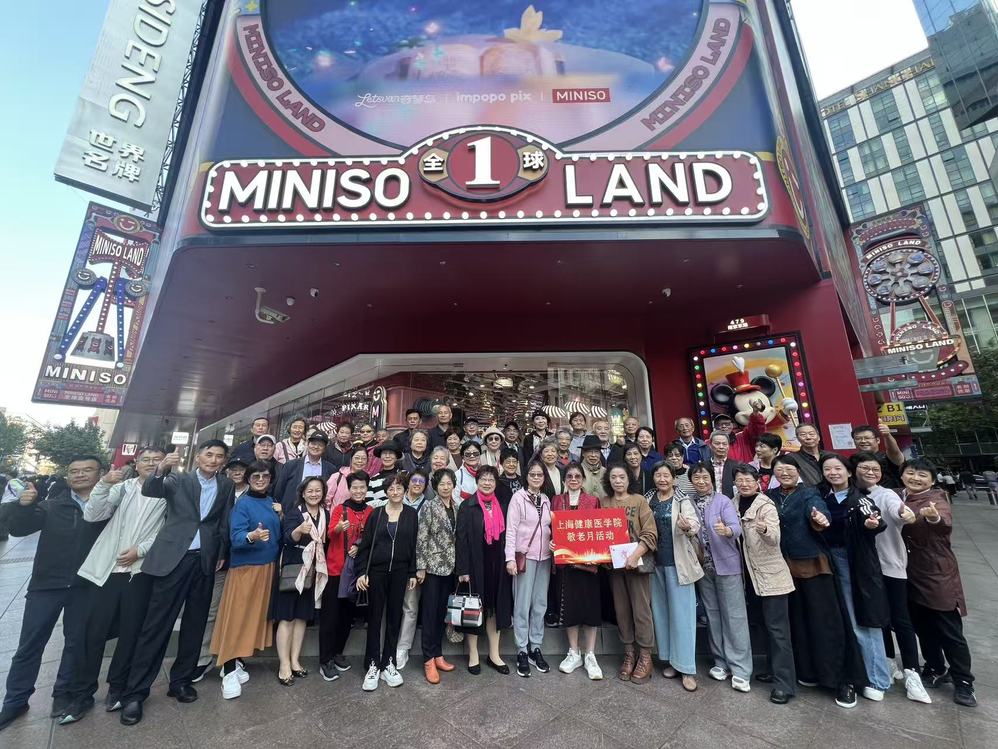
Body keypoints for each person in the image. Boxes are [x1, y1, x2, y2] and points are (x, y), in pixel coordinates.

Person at [117, 440, 235, 727]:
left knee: (195, 624)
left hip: (204, 560)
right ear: (198, 456)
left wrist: (221, 553)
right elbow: (151, 489)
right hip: (173, 559)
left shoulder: (226, 485)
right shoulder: (178, 479)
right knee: (157, 625)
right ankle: (135, 692)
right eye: (209, 454)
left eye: (219, 456)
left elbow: (223, 522)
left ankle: (180, 681)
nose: (213, 460)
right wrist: (161, 468)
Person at [60, 448, 167, 725]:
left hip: (139, 572)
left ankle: (118, 687)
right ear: (136, 464)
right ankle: (82, 694)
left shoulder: (169, 491)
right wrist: (103, 484)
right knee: (92, 633)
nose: (151, 464)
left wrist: (140, 550)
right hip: (107, 571)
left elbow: (168, 529)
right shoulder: (123, 487)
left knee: (131, 633)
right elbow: (94, 514)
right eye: (145, 460)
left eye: (157, 460)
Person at [0, 457, 107, 731]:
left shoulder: (107, 506)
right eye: (74, 471)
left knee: (75, 643)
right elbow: (19, 529)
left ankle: (63, 694)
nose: (80, 475)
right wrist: (24, 507)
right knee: (29, 645)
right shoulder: (52, 505)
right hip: (46, 585)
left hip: (85, 586)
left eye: (87, 470)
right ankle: (15, 700)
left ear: (100, 474)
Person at [767, 455, 864, 709]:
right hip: (784, 569)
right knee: (798, 622)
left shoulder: (809, 493)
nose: (784, 473)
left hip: (813, 566)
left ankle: (843, 680)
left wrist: (820, 518)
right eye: (779, 470)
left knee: (827, 623)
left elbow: (818, 511)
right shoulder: (771, 496)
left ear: (798, 471)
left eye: (789, 469)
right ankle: (808, 671)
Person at [850, 453, 929, 704]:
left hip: (890, 566)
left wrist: (906, 514)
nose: (871, 472)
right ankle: (888, 660)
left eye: (875, 469)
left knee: (900, 619)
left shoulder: (887, 495)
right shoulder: (852, 495)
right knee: (877, 617)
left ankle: (912, 672)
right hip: (864, 567)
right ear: (854, 470)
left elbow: (898, 512)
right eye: (865, 468)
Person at [900, 458, 977, 707]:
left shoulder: (936, 499)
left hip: (936, 573)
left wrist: (933, 518)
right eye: (911, 473)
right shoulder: (899, 496)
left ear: (932, 480)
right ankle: (934, 666)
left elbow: (944, 524)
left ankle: (963, 681)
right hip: (909, 572)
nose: (915, 478)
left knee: (949, 629)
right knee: (922, 626)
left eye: (922, 475)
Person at [818, 453, 892, 701]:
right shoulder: (823, 497)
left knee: (861, 620)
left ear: (849, 472)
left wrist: (872, 525)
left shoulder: (859, 499)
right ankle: (854, 673)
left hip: (853, 562)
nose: (833, 473)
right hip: (828, 560)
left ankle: (877, 679)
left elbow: (875, 519)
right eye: (828, 469)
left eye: (838, 468)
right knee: (842, 620)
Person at [209, 461, 281, 699]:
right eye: (256, 476)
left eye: (265, 476)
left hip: (267, 567)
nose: (261, 480)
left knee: (252, 617)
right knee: (236, 618)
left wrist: (281, 516)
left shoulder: (271, 502)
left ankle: (237, 660)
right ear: (248, 479)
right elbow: (236, 536)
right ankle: (228, 669)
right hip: (246, 569)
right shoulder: (242, 504)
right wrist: (251, 536)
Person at [686, 463, 753, 693]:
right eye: (696, 478)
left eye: (705, 477)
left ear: (712, 479)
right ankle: (721, 661)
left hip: (727, 565)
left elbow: (736, 527)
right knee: (712, 615)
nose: (701, 481)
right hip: (703, 568)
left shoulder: (723, 501)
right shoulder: (689, 502)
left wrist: (728, 531)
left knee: (734, 616)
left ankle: (741, 669)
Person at [734, 463, 797, 704]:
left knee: (778, 630)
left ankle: (784, 684)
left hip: (771, 577)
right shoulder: (732, 503)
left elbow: (774, 538)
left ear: (757, 482)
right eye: (740, 480)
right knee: (763, 625)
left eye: (748, 480)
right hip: (749, 577)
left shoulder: (766, 505)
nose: (744, 484)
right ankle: (772, 670)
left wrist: (765, 530)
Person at [355, 474, 419, 691]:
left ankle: (388, 662)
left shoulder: (411, 514)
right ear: (386, 492)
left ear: (404, 490)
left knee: (394, 617)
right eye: (391, 489)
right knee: (374, 618)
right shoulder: (377, 514)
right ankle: (373, 663)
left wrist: (412, 572)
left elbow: (413, 545)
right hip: (377, 572)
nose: (395, 492)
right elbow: (365, 545)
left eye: (399, 488)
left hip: (400, 572)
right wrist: (362, 572)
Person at [192, 456, 251, 682]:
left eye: (241, 469)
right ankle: (203, 657)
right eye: (233, 468)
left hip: (245, 561)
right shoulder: (220, 490)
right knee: (212, 609)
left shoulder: (255, 493)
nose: (237, 472)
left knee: (239, 610)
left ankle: (234, 655)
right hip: (220, 559)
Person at [646, 461, 702, 691]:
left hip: (678, 564)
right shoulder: (648, 499)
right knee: (662, 614)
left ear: (674, 478)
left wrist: (687, 526)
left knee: (683, 616)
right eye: (658, 475)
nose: (662, 479)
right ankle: (672, 661)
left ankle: (687, 668)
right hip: (655, 565)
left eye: (666, 475)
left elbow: (694, 525)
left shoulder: (682, 499)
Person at [602, 465, 657, 683]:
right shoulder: (604, 502)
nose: (618, 481)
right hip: (615, 567)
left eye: (622, 477)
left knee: (641, 611)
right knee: (622, 610)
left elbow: (650, 532)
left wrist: (635, 555)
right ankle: (629, 654)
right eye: (613, 477)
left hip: (637, 565)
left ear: (628, 479)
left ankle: (645, 657)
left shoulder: (639, 501)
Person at [455, 466, 513, 675]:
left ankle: (494, 654)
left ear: (496, 483)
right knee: (474, 609)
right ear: (477, 481)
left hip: (497, 566)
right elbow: (461, 540)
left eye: (491, 480)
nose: (487, 483)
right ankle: (473, 654)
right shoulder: (467, 506)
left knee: (494, 609)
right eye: (483, 479)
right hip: (474, 567)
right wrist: (462, 569)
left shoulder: (502, 505)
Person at [549, 464, 603, 680]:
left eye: (577, 476)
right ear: (564, 480)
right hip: (565, 564)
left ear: (583, 479)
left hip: (587, 563)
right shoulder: (556, 500)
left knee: (589, 608)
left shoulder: (592, 500)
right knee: (569, 607)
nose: (573, 479)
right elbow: (551, 528)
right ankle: (574, 652)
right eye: (569, 476)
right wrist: (552, 542)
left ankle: (590, 654)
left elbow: (598, 529)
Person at [273, 476, 328, 686]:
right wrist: (298, 530)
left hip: (313, 569)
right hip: (294, 568)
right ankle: (284, 664)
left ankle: (295, 660)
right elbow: (287, 538)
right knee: (287, 617)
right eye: (310, 491)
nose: (314, 494)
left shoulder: (325, 514)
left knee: (302, 617)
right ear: (303, 493)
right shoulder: (295, 512)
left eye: (318, 490)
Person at [319, 471, 373, 679]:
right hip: (336, 570)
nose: (358, 491)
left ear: (367, 488)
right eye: (354, 487)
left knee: (347, 616)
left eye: (362, 487)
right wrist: (338, 528)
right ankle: (325, 659)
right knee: (330, 616)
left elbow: (371, 538)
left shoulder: (371, 511)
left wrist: (359, 545)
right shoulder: (340, 509)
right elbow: (329, 533)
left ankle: (337, 652)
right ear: (349, 489)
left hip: (356, 573)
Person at [505, 460, 553, 678]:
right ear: (526, 476)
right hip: (525, 558)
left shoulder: (546, 500)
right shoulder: (518, 498)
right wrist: (510, 559)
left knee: (540, 604)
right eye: (532, 474)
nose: (536, 478)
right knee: (522, 605)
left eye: (539, 475)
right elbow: (511, 530)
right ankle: (522, 649)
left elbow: (548, 528)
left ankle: (536, 647)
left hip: (545, 557)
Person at [416, 469, 460, 684]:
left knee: (442, 613)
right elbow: (422, 537)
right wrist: (421, 567)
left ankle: (438, 654)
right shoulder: (429, 506)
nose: (445, 487)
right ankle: (428, 659)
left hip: (450, 568)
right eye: (441, 483)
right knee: (429, 614)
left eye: (449, 483)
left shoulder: (457, 506)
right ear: (435, 486)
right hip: (432, 568)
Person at [396, 470, 430, 669]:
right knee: (391, 605)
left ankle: (403, 647)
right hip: (394, 560)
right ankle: (388, 642)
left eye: (421, 481)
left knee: (410, 605)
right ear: (408, 483)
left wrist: (421, 566)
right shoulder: (397, 498)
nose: (417, 484)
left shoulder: (427, 505)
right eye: (414, 480)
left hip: (415, 562)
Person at [273, 431, 336, 511]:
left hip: (317, 512)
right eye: (313, 444)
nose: (316, 447)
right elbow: (279, 490)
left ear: (324, 449)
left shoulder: (330, 469)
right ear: (308, 444)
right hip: (291, 511)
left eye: (320, 445)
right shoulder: (290, 465)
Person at [850, 423, 904, 489]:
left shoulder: (888, 457)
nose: (863, 441)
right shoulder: (853, 460)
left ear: (878, 440)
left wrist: (887, 435)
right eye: (858, 438)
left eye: (867, 438)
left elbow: (894, 452)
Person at [367, 440, 403, 507]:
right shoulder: (372, 480)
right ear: (380, 456)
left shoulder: (404, 476)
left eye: (391, 453)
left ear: (396, 457)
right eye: (384, 453)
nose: (387, 456)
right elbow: (369, 503)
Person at [707, 431, 737, 498]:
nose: (721, 447)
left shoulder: (737, 466)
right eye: (717, 443)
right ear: (710, 445)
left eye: (724, 444)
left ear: (728, 446)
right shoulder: (704, 467)